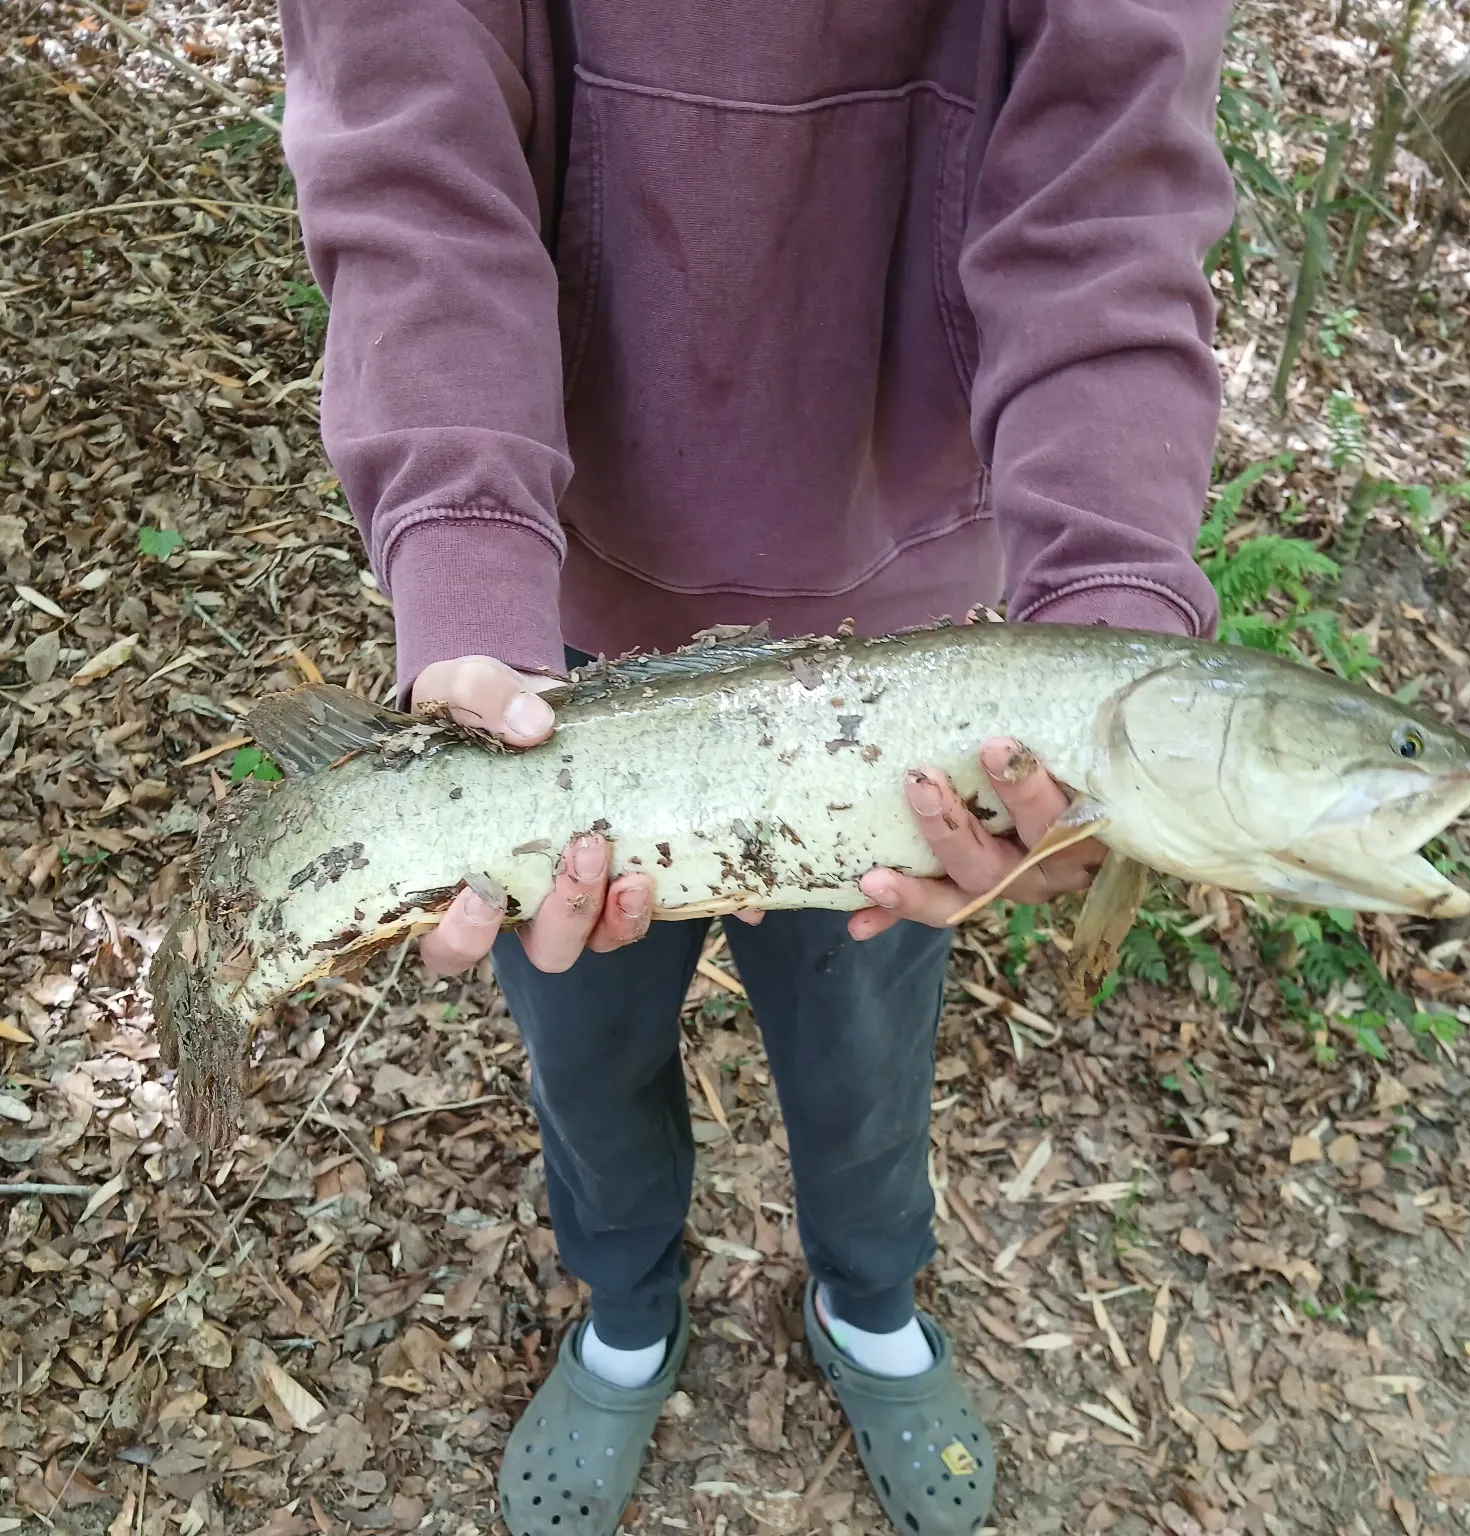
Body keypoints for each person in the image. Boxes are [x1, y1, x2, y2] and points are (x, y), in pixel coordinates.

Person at [276, 1, 1235, 1530]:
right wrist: (463, 561)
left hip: (900, 661)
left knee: (862, 1039)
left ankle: (868, 1303)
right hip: (556, 652)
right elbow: (416, 150)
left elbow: (1108, 190)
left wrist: (1107, 633)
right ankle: (627, 1315)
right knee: (584, 1044)